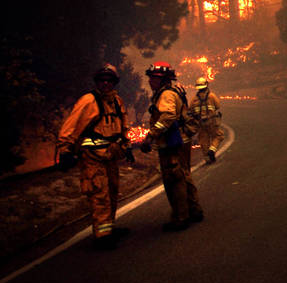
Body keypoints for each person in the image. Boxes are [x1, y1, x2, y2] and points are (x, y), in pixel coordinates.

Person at [57, 64, 135, 250]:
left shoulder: (116, 100)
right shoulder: (88, 101)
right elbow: (71, 125)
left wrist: (127, 146)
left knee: (112, 191)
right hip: (92, 157)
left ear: (114, 83)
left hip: (111, 155)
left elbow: (123, 125)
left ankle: (108, 228)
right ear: (97, 82)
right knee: (100, 193)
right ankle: (102, 236)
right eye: (102, 80)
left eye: (109, 80)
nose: (106, 83)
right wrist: (65, 150)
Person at [139, 61, 203, 231]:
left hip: (173, 142)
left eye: (154, 78)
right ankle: (194, 210)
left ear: (164, 80)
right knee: (183, 174)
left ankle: (180, 217)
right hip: (181, 140)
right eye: (150, 77)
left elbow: (167, 116)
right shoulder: (171, 91)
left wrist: (151, 135)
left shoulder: (166, 94)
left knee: (174, 179)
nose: (151, 81)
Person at [189, 77, 224, 163]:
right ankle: (212, 150)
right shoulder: (212, 96)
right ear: (206, 85)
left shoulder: (194, 100)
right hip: (212, 122)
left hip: (200, 124)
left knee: (204, 140)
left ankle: (207, 158)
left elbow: (191, 111)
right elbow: (218, 106)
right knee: (218, 136)